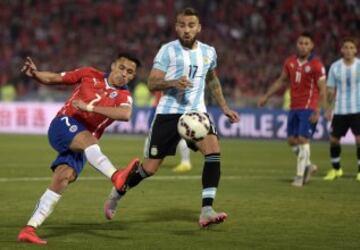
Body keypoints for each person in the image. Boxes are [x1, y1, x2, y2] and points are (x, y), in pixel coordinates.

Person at [103, 7, 240, 227]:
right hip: (168, 114)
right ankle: (118, 192)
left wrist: (224, 106)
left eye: (191, 25)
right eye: (182, 25)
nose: (187, 30)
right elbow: (152, 83)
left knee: (213, 152)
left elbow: (212, 79)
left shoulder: (209, 52)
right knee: (149, 168)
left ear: (199, 28)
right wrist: (173, 82)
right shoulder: (167, 51)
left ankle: (206, 209)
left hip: (196, 113)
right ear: (176, 27)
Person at [17, 54, 141, 245]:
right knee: (88, 140)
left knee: (63, 177)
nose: (124, 74)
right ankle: (116, 176)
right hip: (63, 124)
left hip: (84, 145)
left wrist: (89, 108)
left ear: (132, 77)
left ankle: (29, 228)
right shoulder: (89, 74)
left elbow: (125, 114)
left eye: (129, 72)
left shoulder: (124, 96)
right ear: (113, 65)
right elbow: (54, 78)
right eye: (122, 68)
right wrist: (35, 74)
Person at [258, 32, 327, 187]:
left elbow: (322, 89)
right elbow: (281, 80)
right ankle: (309, 165)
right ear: (297, 44)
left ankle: (299, 176)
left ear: (311, 46)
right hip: (294, 107)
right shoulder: (290, 62)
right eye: (300, 43)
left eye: (306, 43)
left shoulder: (316, 65)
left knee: (303, 140)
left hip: (308, 107)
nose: (303, 46)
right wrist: (266, 96)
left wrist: (317, 110)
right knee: (291, 141)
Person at [324, 38, 360, 181]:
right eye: (346, 47)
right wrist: (328, 108)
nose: (349, 50)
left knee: (359, 139)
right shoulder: (335, 67)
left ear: (355, 50)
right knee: (333, 139)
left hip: (358, 108)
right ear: (342, 50)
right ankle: (336, 169)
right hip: (340, 109)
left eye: (351, 47)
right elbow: (331, 89)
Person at [149, 91, 192, 173]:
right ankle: (153, 160)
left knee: (179, 135)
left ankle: (185, 162)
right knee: (179, 135)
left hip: (164, 108)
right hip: (168, 107)